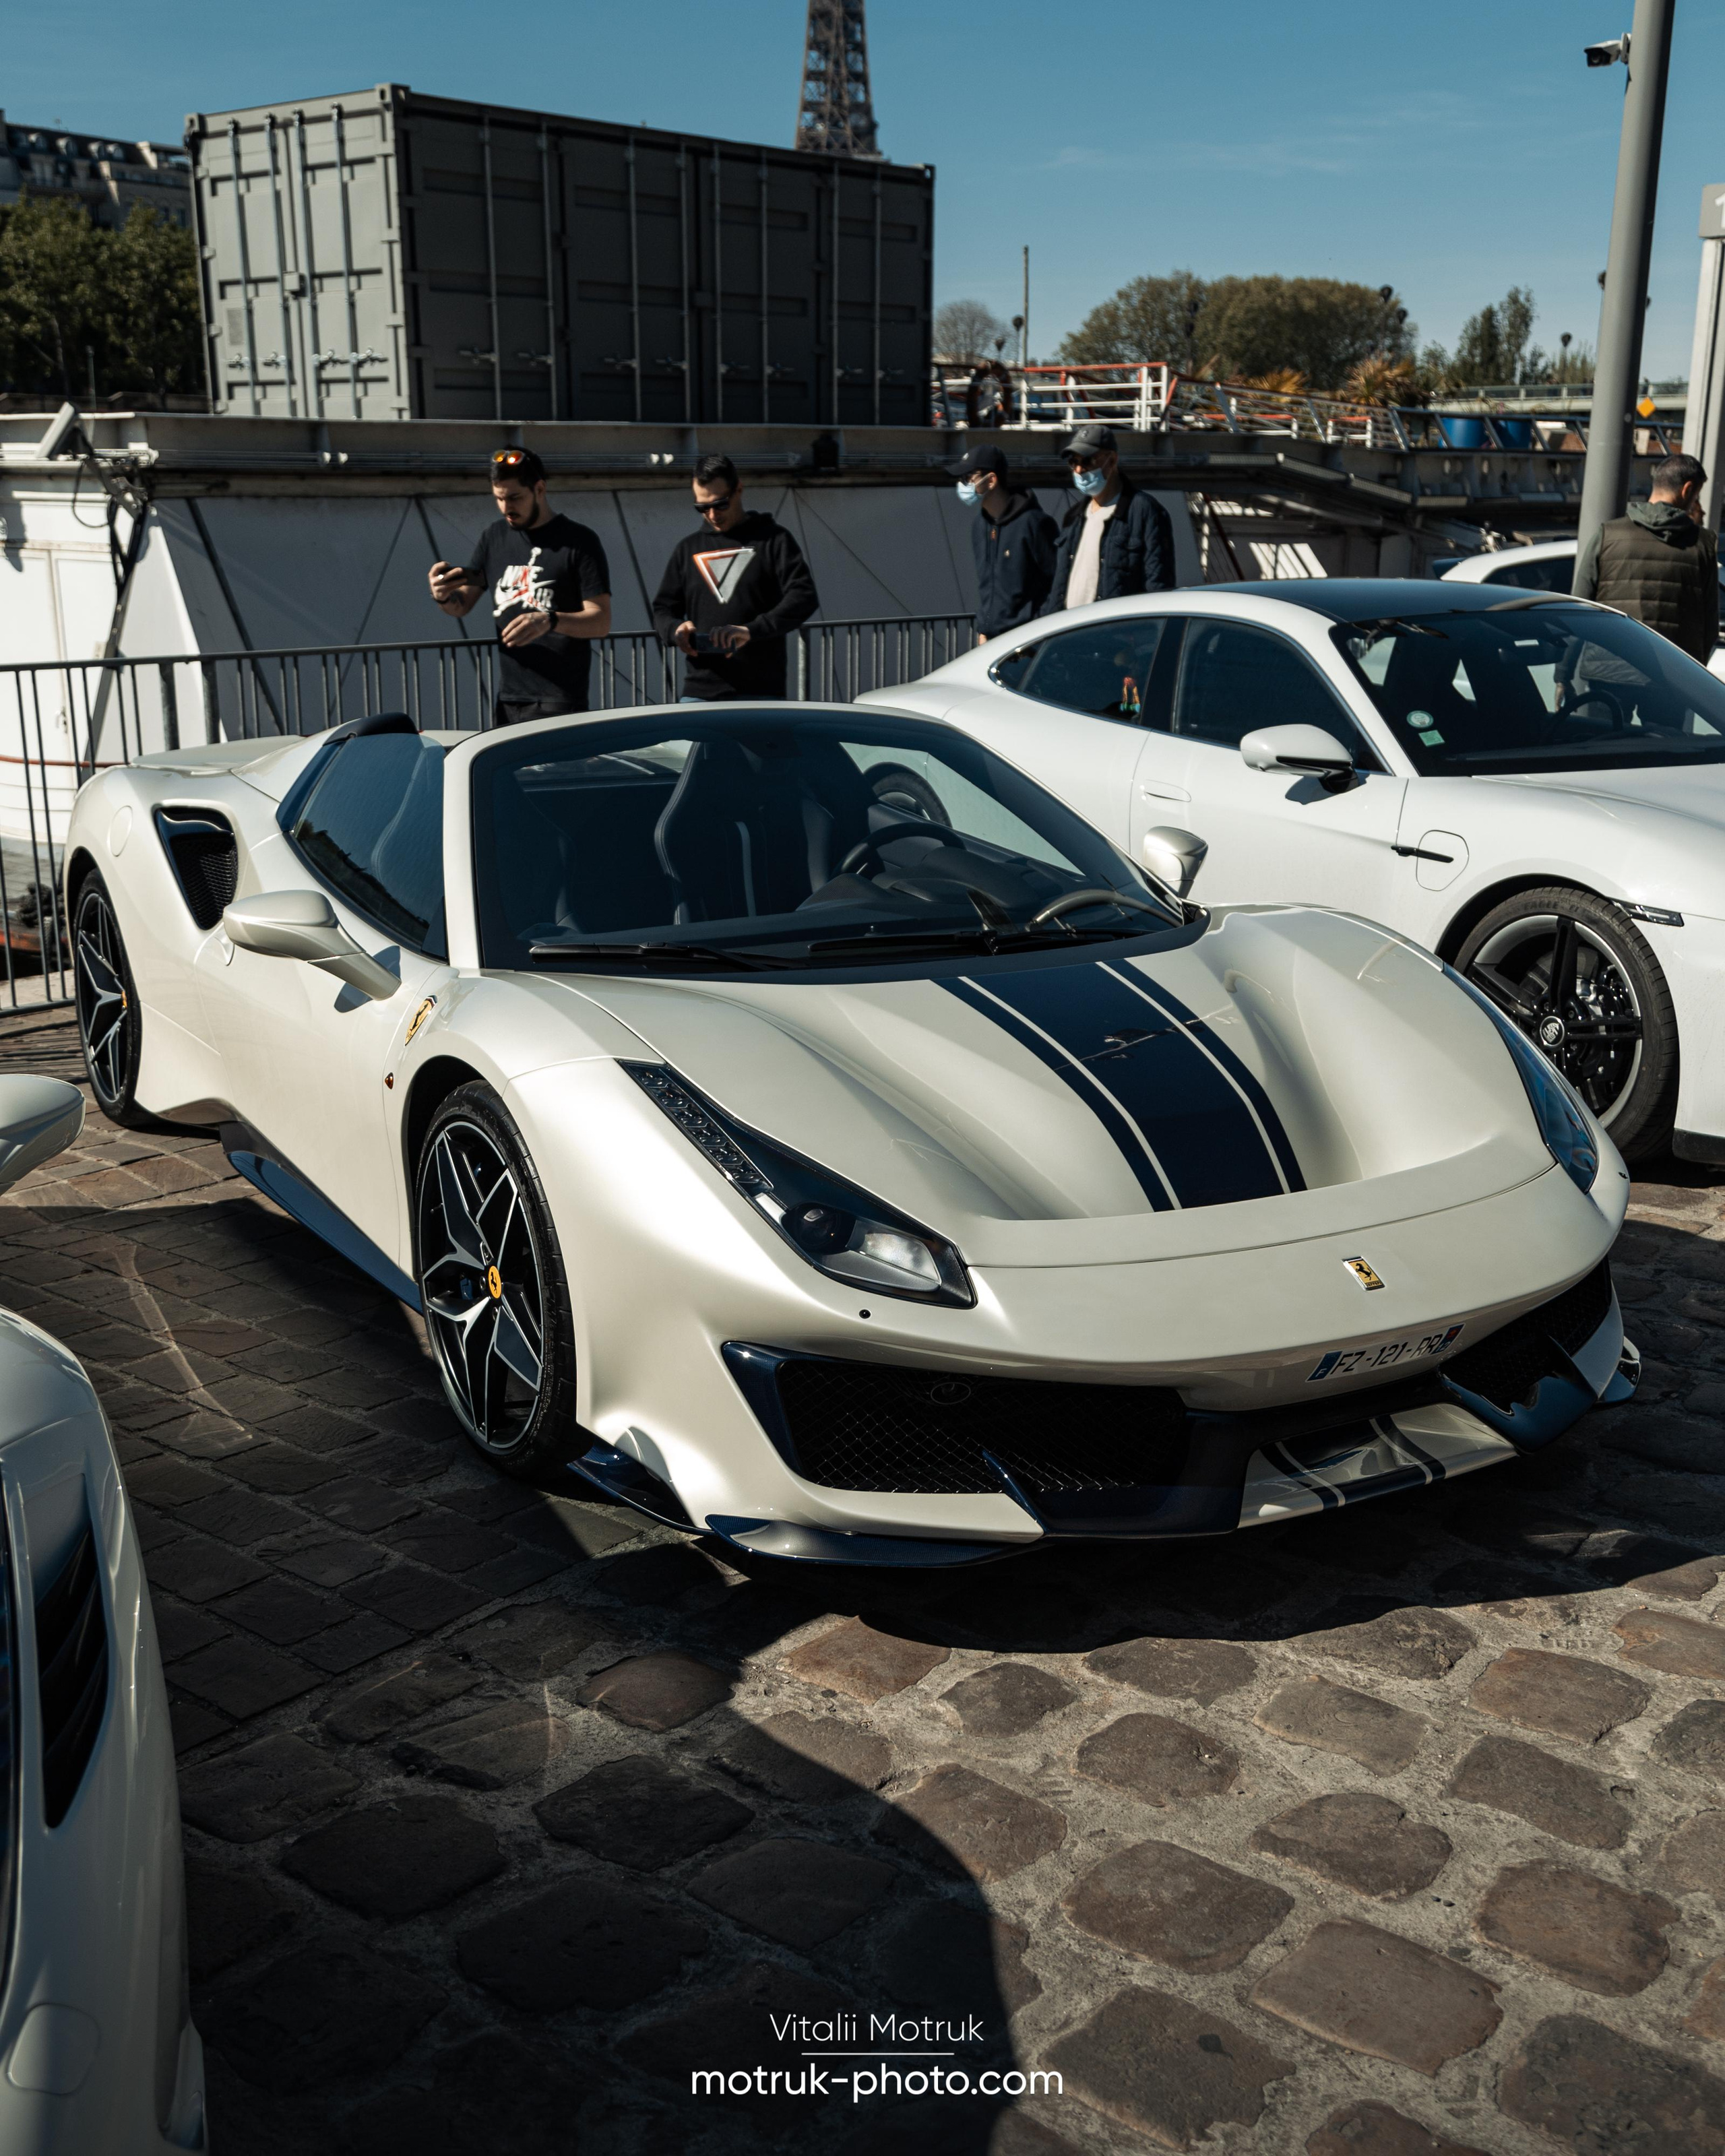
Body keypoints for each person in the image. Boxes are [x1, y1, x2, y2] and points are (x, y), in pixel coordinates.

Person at [428, 448, 613, 727]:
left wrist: (549, 621)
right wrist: (442, 595)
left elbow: (600, 621)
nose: (506, 508)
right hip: (509, 697)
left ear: (539, 489)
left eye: (514, 498)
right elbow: (462, 604)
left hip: (560, 697)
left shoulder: (579, 541)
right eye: (499, 499)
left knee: (557, 772)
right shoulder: (494, 536)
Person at [652, 454, 819, 701]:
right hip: (700, 689)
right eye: (702, 507)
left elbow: (804, 596)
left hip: (761, 690)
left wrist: (751, 631)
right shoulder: (687, 549)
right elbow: (663, 608)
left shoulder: (774, 540)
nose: (712, 514)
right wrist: (675, 629)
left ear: (738, 489)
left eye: (720, 504)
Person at [1571, 451, 1719, 664]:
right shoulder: (1703, 544)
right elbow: (1710, 626)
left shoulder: (1608, 534)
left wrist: (1564, 673)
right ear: (1687, 490)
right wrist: (1695, 672)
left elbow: (1580, 609)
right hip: (1674, 674)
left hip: (1610, 670)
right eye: (1696, 496)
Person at [1040, 422, 1176, 616]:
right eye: (1073, 462)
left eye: (1087, 461)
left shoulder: (1145, 511)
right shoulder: (1073, 517)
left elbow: (1158, 587)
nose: (1079, 470)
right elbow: (1058, 587)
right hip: (1068, 634)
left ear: (1112, 461)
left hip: (1116, 638)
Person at [947, 445, 1058, 642]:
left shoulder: (1034, 523)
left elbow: (1056, 583)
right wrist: (984, 628)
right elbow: (987, 586)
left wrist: (1038, 631)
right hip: (993, 641)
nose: (962, 485)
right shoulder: (980, 526)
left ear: (991, 480)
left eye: (968, 478)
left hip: (1029, 640)